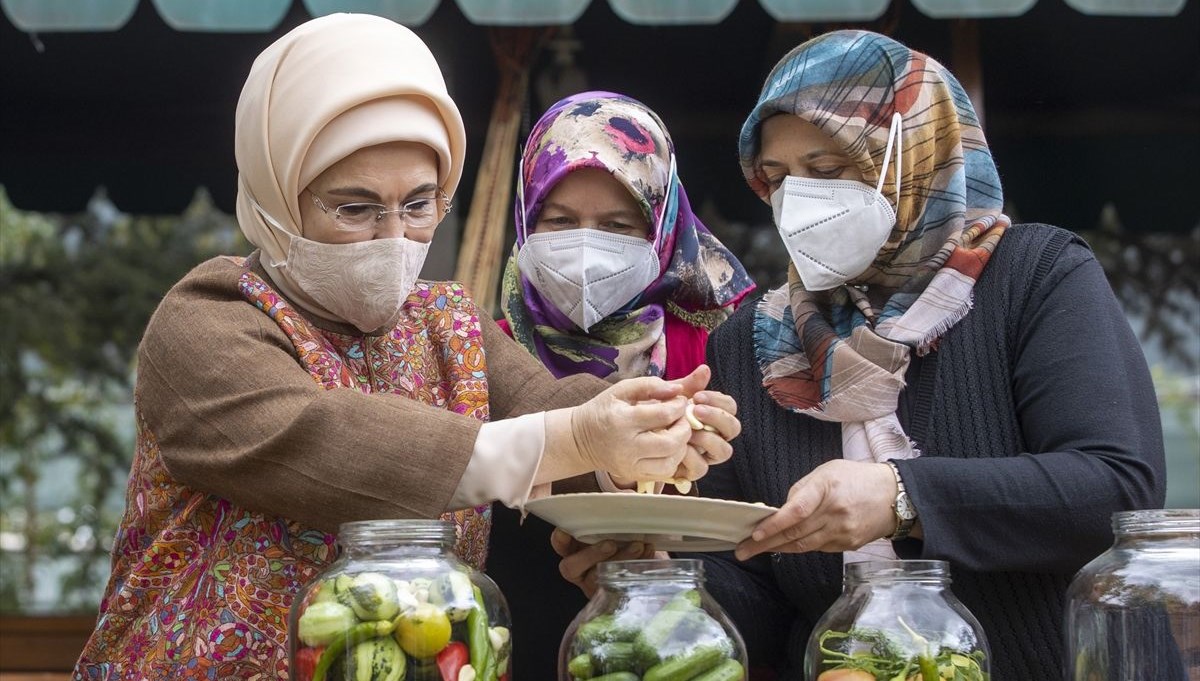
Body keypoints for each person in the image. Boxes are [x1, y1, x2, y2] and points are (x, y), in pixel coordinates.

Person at [72, 15, 740, 679]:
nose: (393, 237)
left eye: (420, 204)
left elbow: (551, 403)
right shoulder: (207, 321)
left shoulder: (450, 323)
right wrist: (576, 433)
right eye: (354, 208)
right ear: (276, 196)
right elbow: (319, 437)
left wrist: (652, 427)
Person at [553, 30, 1165, 679]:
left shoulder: (1035, 277)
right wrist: (662, 579)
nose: (801, 200)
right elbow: (758, 604)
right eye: (780, 177)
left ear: (913, 155)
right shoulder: (753, 339)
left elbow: (1115, 491)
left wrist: (903, 496)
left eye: (827, 169)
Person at [487, 91, 755, 678]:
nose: (585, 246)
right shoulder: (484, 348)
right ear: (525, 220)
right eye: (559, 222)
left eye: (616, 226)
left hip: (676, 648)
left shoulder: (718, 346)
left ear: (661, 228)